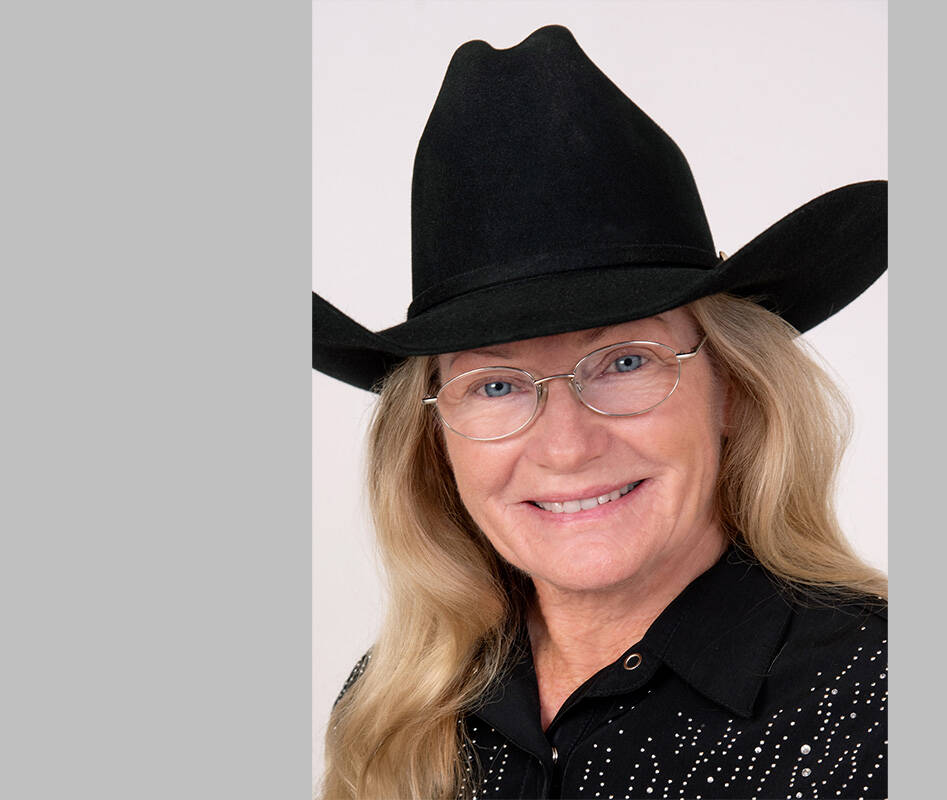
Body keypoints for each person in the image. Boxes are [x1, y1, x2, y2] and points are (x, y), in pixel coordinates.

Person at [314, 25, 886, 800]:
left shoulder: (884, 703)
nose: (567, 446)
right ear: (435, 438)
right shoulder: (396, 710)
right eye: (496, 385)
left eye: (624, 363)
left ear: (733, 390)